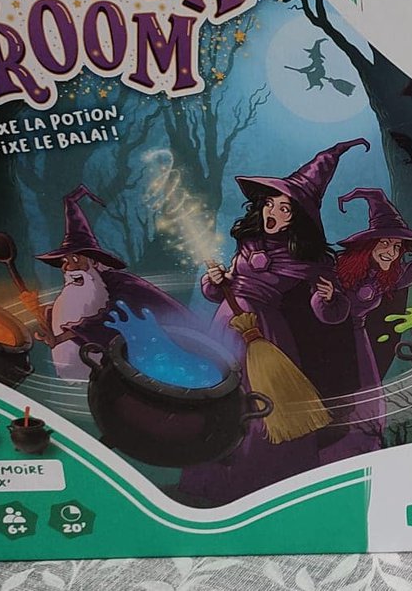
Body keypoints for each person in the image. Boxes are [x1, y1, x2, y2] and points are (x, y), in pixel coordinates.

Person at [175, 138, 367, 506]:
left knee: (262, 409)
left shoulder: (309, 262)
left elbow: (331, 313)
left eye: (284, 208)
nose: (272, 213)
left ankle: (262, 484)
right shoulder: (248, 244)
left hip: (265, 335)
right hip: (225, 328)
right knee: (217, 400)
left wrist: (328, 298)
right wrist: (216, 281)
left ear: (298, 218)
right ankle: (210, 484)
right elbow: (219, 292)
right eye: (269, 204)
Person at [311, 188, 412, 461]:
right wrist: (327, 299)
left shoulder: (388, 278)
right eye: (385, 244)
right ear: (369, 245)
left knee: (364, 405)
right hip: (326, 345)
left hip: (359, 347)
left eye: (397, 248)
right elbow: (319, 308)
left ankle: (356, 453)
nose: (391, 253)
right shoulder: (336, 271)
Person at [31, 185, 195, 379]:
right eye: (64, 262)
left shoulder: (123, 285)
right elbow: (79, 309)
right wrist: (42, 311)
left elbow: (112, 317)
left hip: (178, 352)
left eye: (76, 259)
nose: (69, 267)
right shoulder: (88, 286)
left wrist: (61, 337)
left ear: (93, 262)